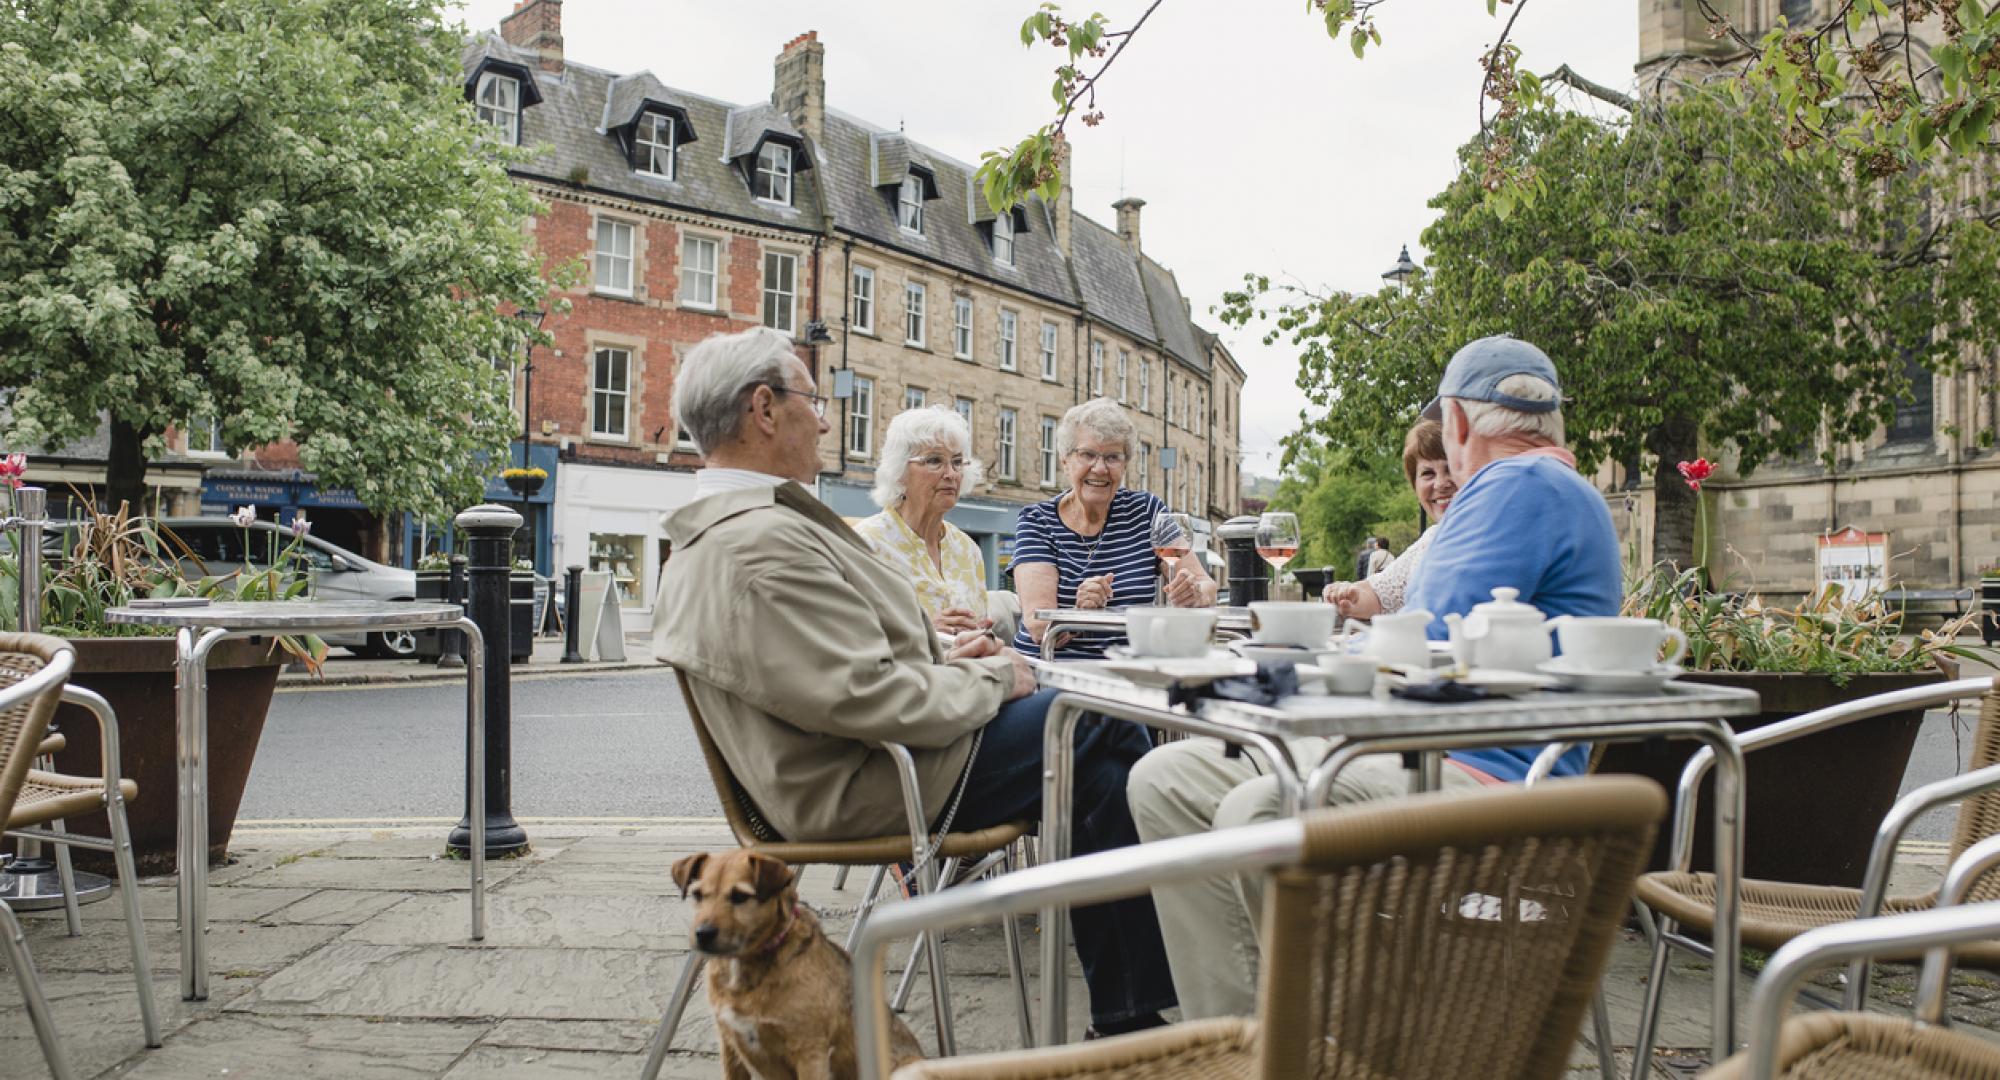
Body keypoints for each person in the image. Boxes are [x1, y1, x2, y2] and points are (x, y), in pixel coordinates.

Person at [651, 328, 1174, 1038]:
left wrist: (958, 660)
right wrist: (994, 679)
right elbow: (865, 700)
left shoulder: (751, 526)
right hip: (872, 778)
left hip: (882, 754)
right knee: (1100, 714)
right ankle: (1170, 955)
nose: (827, 417)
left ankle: (1130, 1017)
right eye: (813, 399)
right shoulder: (754, 542)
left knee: (1102, 763)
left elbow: (854, 669)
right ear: (765, 410)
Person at [1126, 334, 1622, 1020]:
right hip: (1433, 752)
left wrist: (1294, 675)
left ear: (1455, 422)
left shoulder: (1515, 485)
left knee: (1259, 813)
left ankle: (1331, 1046)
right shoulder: (1545, 488)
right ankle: (1246, 1039)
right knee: (1166, 778)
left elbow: (1418, 645)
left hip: (1489, 781)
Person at [1012, 398, 1216, 659]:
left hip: (1130, 670)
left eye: (1112, 457)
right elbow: (1039, 628)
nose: (1100, 468)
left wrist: (1194, 594)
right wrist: (1078, 613)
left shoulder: (1147, 511)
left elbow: (1205, 585)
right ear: (1065, 461)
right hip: (1055, 670)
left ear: (1125, 464)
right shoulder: (1038, 521)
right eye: (1087, 454)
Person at [853, 406, 992, 636]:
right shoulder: (866, 545)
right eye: (934, 460)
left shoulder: (968, 550)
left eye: (957, 462)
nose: (951, 474)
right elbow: (851, 635)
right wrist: (925, 632)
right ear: (899, 471)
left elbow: (980, 623)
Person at [1322, 420, 1457, 620]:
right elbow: (1379, 593)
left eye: (1451, 469)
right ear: (1415, 485)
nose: (1440, 483)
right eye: (1428, 473)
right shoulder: (1431, 539)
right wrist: (1348, 595)